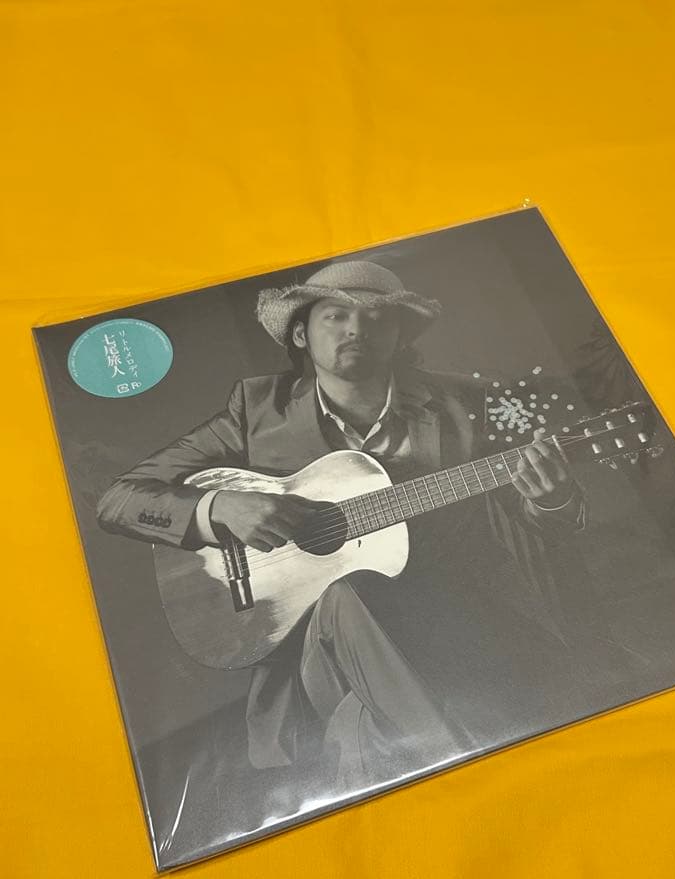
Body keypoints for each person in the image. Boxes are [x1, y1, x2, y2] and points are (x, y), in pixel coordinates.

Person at [97, 260, 591, 787]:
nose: (357, 329)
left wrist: (552, 500)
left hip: (458, 630)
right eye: (335, 315)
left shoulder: (465, 403)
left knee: (367, 733)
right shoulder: (256, 412)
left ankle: (431, 758)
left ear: (400, 335)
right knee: (348, 591)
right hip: (312, 656)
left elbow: (532, 520)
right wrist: (218, 508)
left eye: (377, 318)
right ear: (300, 334)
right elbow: (118, 501)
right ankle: (471, 771)